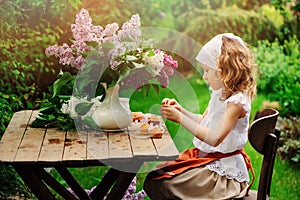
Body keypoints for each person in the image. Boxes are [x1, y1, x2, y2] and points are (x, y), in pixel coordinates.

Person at [143, 33, 257, 200]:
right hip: (209, 163)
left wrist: (181, 119)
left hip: (223, 176)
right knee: (157, 175)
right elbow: (204, 121)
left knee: (163, 183)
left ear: (223, 72)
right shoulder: (220, 94)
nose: (204, 76)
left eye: (207, 70)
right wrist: (181, 111)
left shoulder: (236, 102)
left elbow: (214, 138)